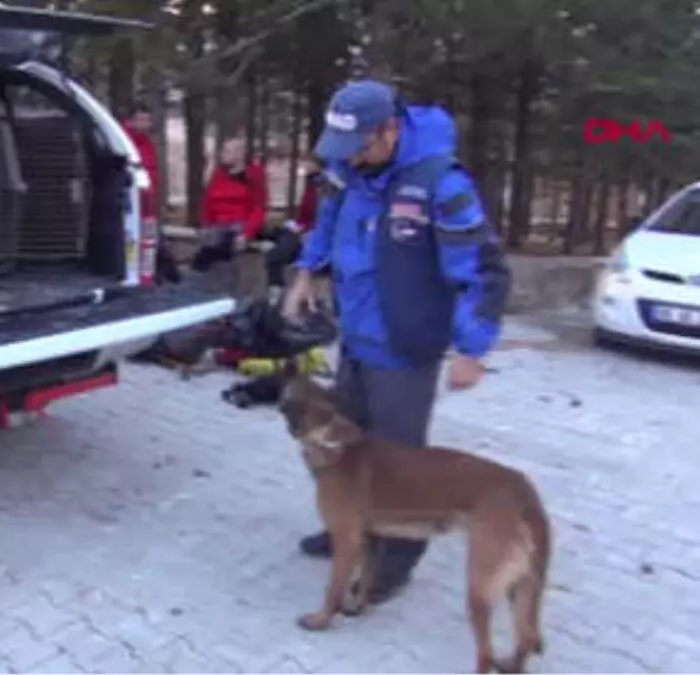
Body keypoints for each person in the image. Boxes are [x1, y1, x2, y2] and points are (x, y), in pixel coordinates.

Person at [281, 79, 512, 604]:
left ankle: (391, 566)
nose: (351, 160)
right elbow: (328, 222)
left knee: (400, 466)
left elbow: (482, 271)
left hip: (405, 348)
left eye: (359, 147)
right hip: (356, 341)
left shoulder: (440, 184)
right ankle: (347, 526)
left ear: (388, 130)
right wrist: (305, 272)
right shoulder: (348, 167)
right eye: (343, 150)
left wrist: (473, 348)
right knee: (340, 445)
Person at [121, 101, 181, 284]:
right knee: (135, 246)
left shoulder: (147, 143)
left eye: (147, 120)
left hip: (149, 207)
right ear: (130, 121)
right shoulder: (123, 142)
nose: (145, 125)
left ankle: (149, 279)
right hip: (132, 208)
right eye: (141, 120)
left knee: (150, 244)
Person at [190, 136, 269, 272]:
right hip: (218, 224)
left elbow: (259, 208)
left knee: (229, 242)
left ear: (239, 154)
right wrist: (205, 224)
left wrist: (247, 233)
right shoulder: (219, 173)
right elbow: (208, 202)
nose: (222, 154)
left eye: (227, 151)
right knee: (210, 238)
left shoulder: (254, 174)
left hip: (240, 224)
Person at [258, 158, 324, 297]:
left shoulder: (323, 187)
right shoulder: (310, 183)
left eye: (308, 162)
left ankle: (276, 291)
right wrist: (295, 223)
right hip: (301, 227)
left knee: (275, 256)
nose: (305, 165)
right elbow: (305, 213)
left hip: (310, 234)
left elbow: (320, 216)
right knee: (271, 230)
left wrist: (304, 229)